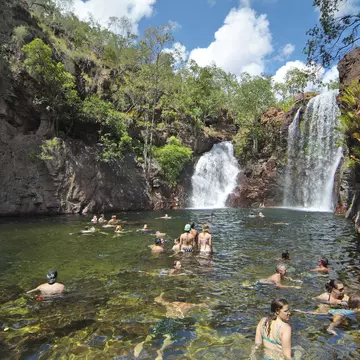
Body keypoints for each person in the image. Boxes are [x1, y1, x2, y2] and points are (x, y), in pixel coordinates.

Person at [295, 295, 360, 335]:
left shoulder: (348, 306)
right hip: (338, 314)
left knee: (318, 314)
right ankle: (330, 329)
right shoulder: (356, 310)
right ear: (357, 305)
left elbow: (347, 302)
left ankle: (302, 312)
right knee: (336, 321)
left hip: (335, 311)